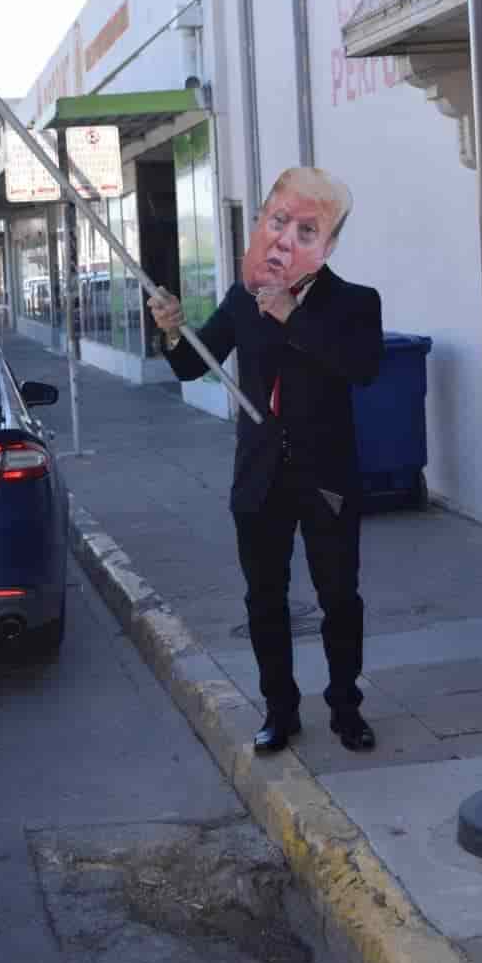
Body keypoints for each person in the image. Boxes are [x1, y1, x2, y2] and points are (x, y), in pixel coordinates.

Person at [148, 167, 383, 755]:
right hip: (259, 478)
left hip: (327, 478)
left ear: (327, 243)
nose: (283, 238)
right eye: (277, 221)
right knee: (264, 600)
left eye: (305, 228)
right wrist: (173, 332)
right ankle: (280, 710)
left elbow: (363, 368)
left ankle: (346, 707)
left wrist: (293, 318)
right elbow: (190, 366)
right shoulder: (241, 298)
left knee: (339, 598)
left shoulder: (354, 302)